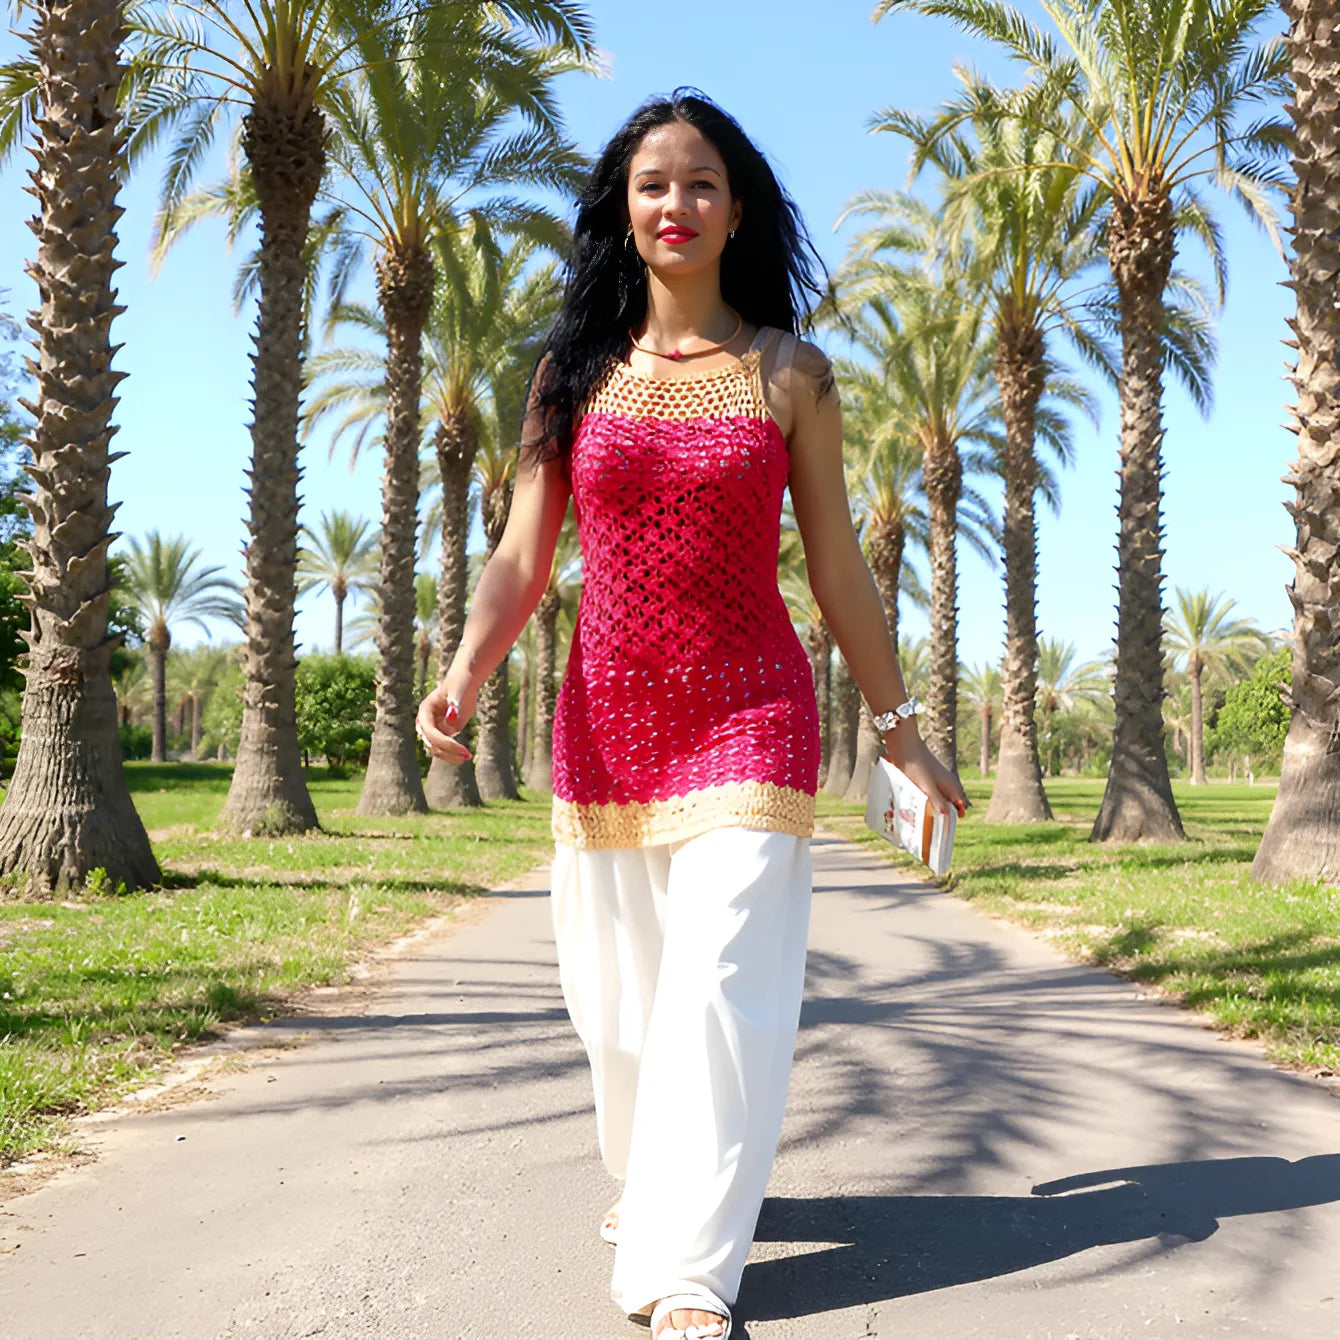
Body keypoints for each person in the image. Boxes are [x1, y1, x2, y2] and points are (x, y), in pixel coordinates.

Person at [416, 87, 968, 1340]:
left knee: (722, 980)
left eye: (703, 183)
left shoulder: (789, 373)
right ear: (624, 204)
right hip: (607, 720)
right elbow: (518, 553)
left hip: (751, 716)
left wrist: (897, 725)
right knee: (621, 1008)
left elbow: (836, 567)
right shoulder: (572, 376)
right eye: (655, 182)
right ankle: (656, 1181)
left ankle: (685, 1273)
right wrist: (464, 667)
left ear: (738, 210)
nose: (678, 202)